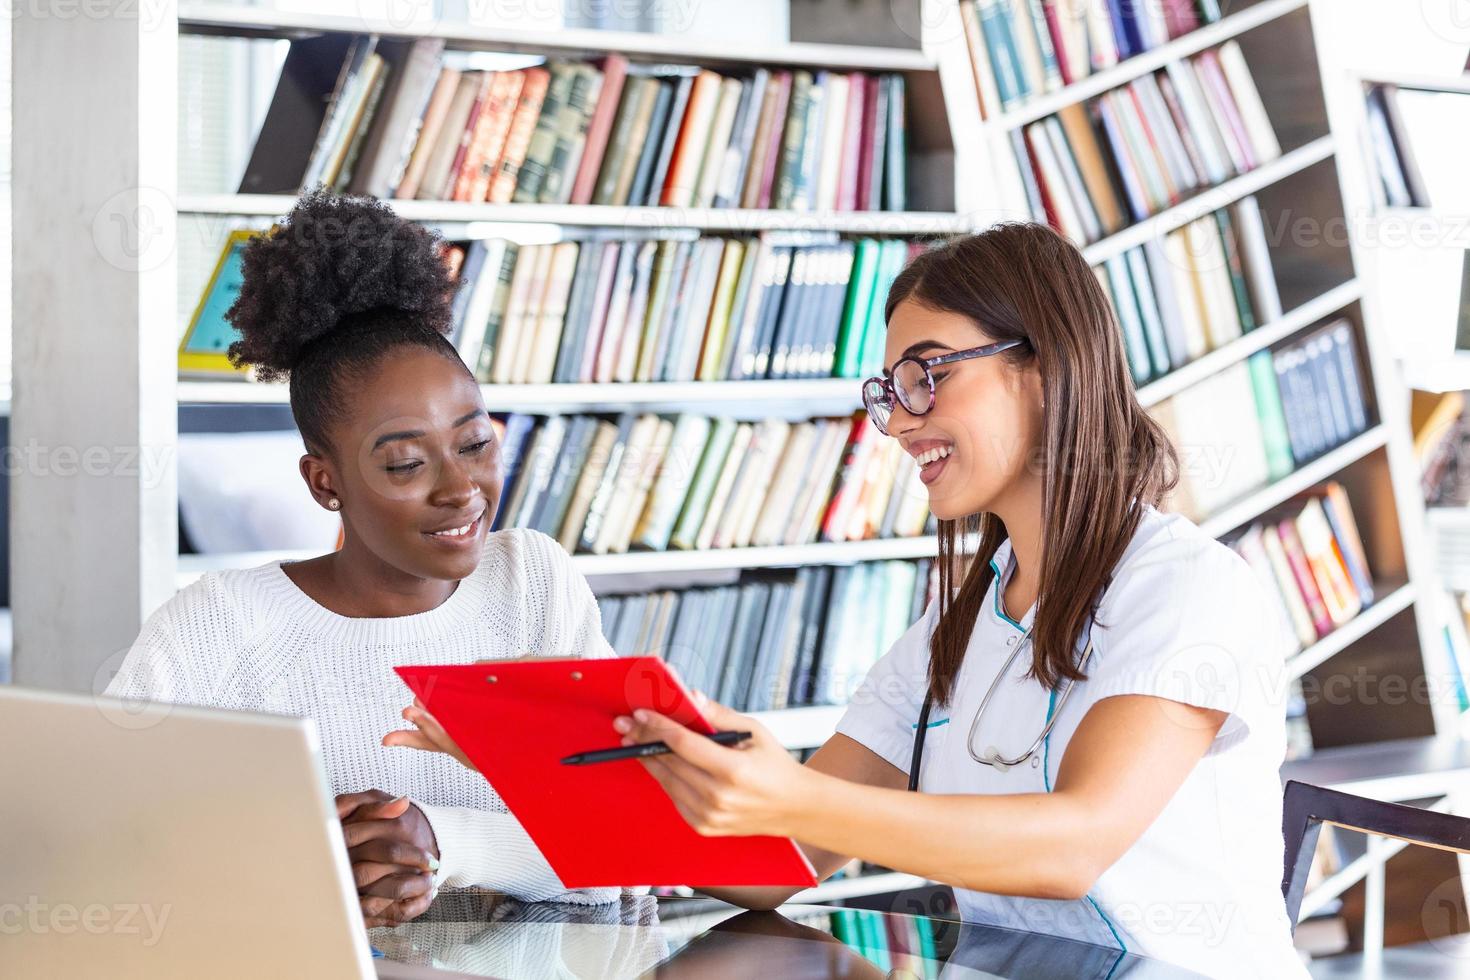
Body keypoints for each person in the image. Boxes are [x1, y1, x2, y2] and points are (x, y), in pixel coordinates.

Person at [395, 223, 1306, 978]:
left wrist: (788, 792)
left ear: (1044, 364)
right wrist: (533, 756)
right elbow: (776, 869)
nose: (901, 420)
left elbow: (1071, 848)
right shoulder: (956, 631)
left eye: (929, 373)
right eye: (891, 390)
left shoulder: (1188, 591)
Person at [105, 190, 618, 926]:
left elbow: (617, 848)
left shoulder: (532, 581)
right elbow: (110, 836)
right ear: (325, 483)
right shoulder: (220, 624)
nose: (461, 489)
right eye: (406, 464)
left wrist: (437, 845)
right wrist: (308, 862)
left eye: (475, 444)